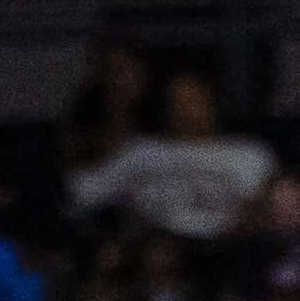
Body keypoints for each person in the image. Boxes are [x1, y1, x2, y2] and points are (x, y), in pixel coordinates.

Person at [69, 72, 278, 243]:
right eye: (177, 102)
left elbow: (269, 208)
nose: (184, 109)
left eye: (193, 100)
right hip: (153, 245)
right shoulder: (142, 152)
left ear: (212, 103)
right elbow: (82, 191)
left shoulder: (249, 153)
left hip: (229, 245)